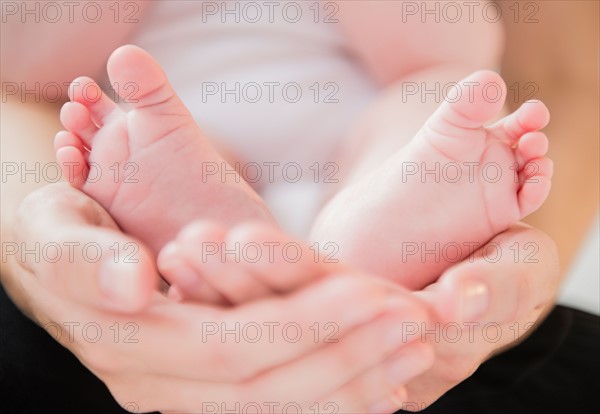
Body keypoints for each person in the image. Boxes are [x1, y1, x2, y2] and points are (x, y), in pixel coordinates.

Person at [1, 1, 597, 413]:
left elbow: (457, 47)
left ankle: (375, 234)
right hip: (170, 123)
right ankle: (202, 222)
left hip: (375, 115)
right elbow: (27, 66)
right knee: (131, 139)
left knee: (435, 97)